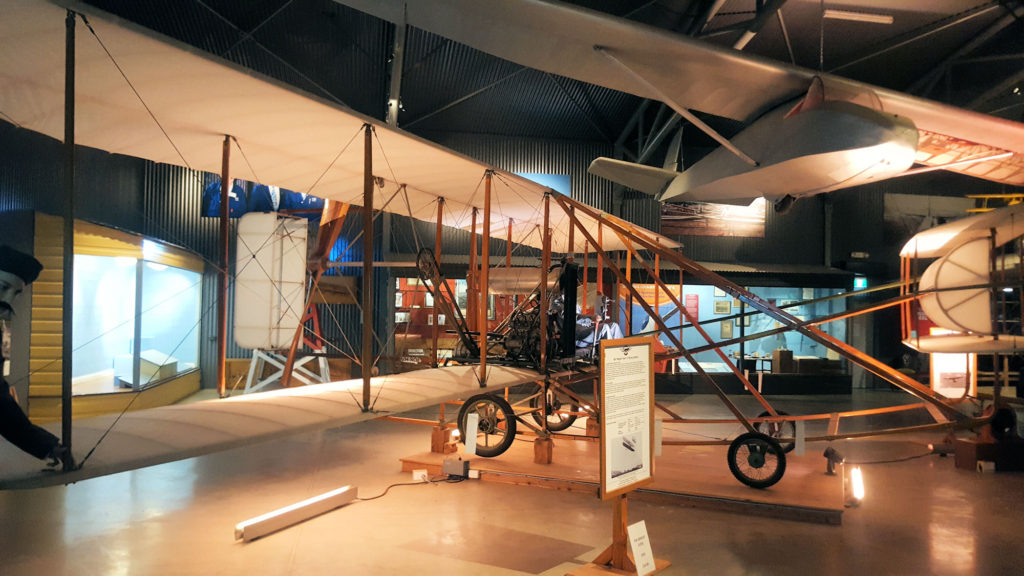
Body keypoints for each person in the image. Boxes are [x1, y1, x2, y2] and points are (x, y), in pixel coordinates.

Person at [0, 245, 74, 469]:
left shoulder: (3, 326)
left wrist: (46, 446)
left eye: (16, 293)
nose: (9, 299)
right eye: (3, 287)